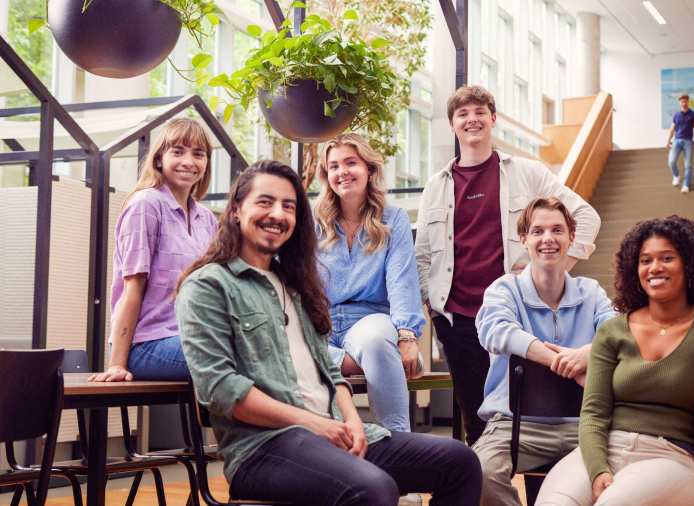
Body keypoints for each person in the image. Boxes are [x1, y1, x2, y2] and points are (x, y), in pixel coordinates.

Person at [175, 160, 480, 506]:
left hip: (332, 431)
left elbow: (330, 371)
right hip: (264, 447)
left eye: (288, 206)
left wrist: (350, 420)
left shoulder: (295, 284)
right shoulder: (207, 286)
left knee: (461, 462)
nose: (278, 214)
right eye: (265, 202)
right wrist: (314, 424)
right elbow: (220, 389)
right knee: (374, 488)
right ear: (235, 211)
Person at [415, 85, 601, 445]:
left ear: (493, 119)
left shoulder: (527, 173)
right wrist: (432, 307)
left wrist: (554, 268)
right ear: (453, 125)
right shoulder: (435, 187)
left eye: (480, 112)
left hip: (520, 318)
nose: (472, 119)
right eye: (463, 114)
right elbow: (422, 255)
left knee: (535, 421)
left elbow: (585, 216)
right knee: (478, 424)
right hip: (458, 322)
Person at [536, 215, 694, 506]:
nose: (655, 268)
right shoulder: (612, 330)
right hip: (602, 450)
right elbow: (594, 413)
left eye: (667, 258)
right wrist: (597, 470)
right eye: (645, 260)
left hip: (671, 457)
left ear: (690, 264)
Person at [474, 198, 616, 506]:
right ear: (524, 239)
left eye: (557, 230)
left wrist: (588, 353)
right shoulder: (504, 289)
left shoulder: (591, 292)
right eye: (537, 231)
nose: (548, 239)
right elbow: (495, 331)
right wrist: (559, 361)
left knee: (622, 475)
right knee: (479, 474)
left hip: (585, 424)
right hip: (515, 424)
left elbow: (620, 334)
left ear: (571, 238)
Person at [89, 117, 217, 382]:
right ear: (159, 158)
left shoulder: (207, 219)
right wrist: (117, 364)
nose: (189, 162)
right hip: (147, 344)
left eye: (198, 154)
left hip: (193, 339)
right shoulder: (146, 205)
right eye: (178, 151)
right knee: (238, 357)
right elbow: (132, 288)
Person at [314, 133, 425, 433]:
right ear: (327, 175)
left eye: (351, 163)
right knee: (297, 354)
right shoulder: (313, 221)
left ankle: (401, 441)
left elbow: (402, 280)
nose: (342, 172)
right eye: (334, 166)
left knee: (377, 341)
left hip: (369, 319)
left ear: (369, 170)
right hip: (320, 325)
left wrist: (406, 337)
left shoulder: (394, 219)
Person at [665, 94, 694, 194]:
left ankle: (686, 185)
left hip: (688, 142)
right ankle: (676, 176)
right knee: (671, 161)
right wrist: (668, 141)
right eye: (682, 102)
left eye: (685, 101)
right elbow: (672, 129)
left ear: (688, 102)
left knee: (688, 165)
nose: (684, 103)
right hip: (677, 141)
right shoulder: (676, 115)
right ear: (679, 103)